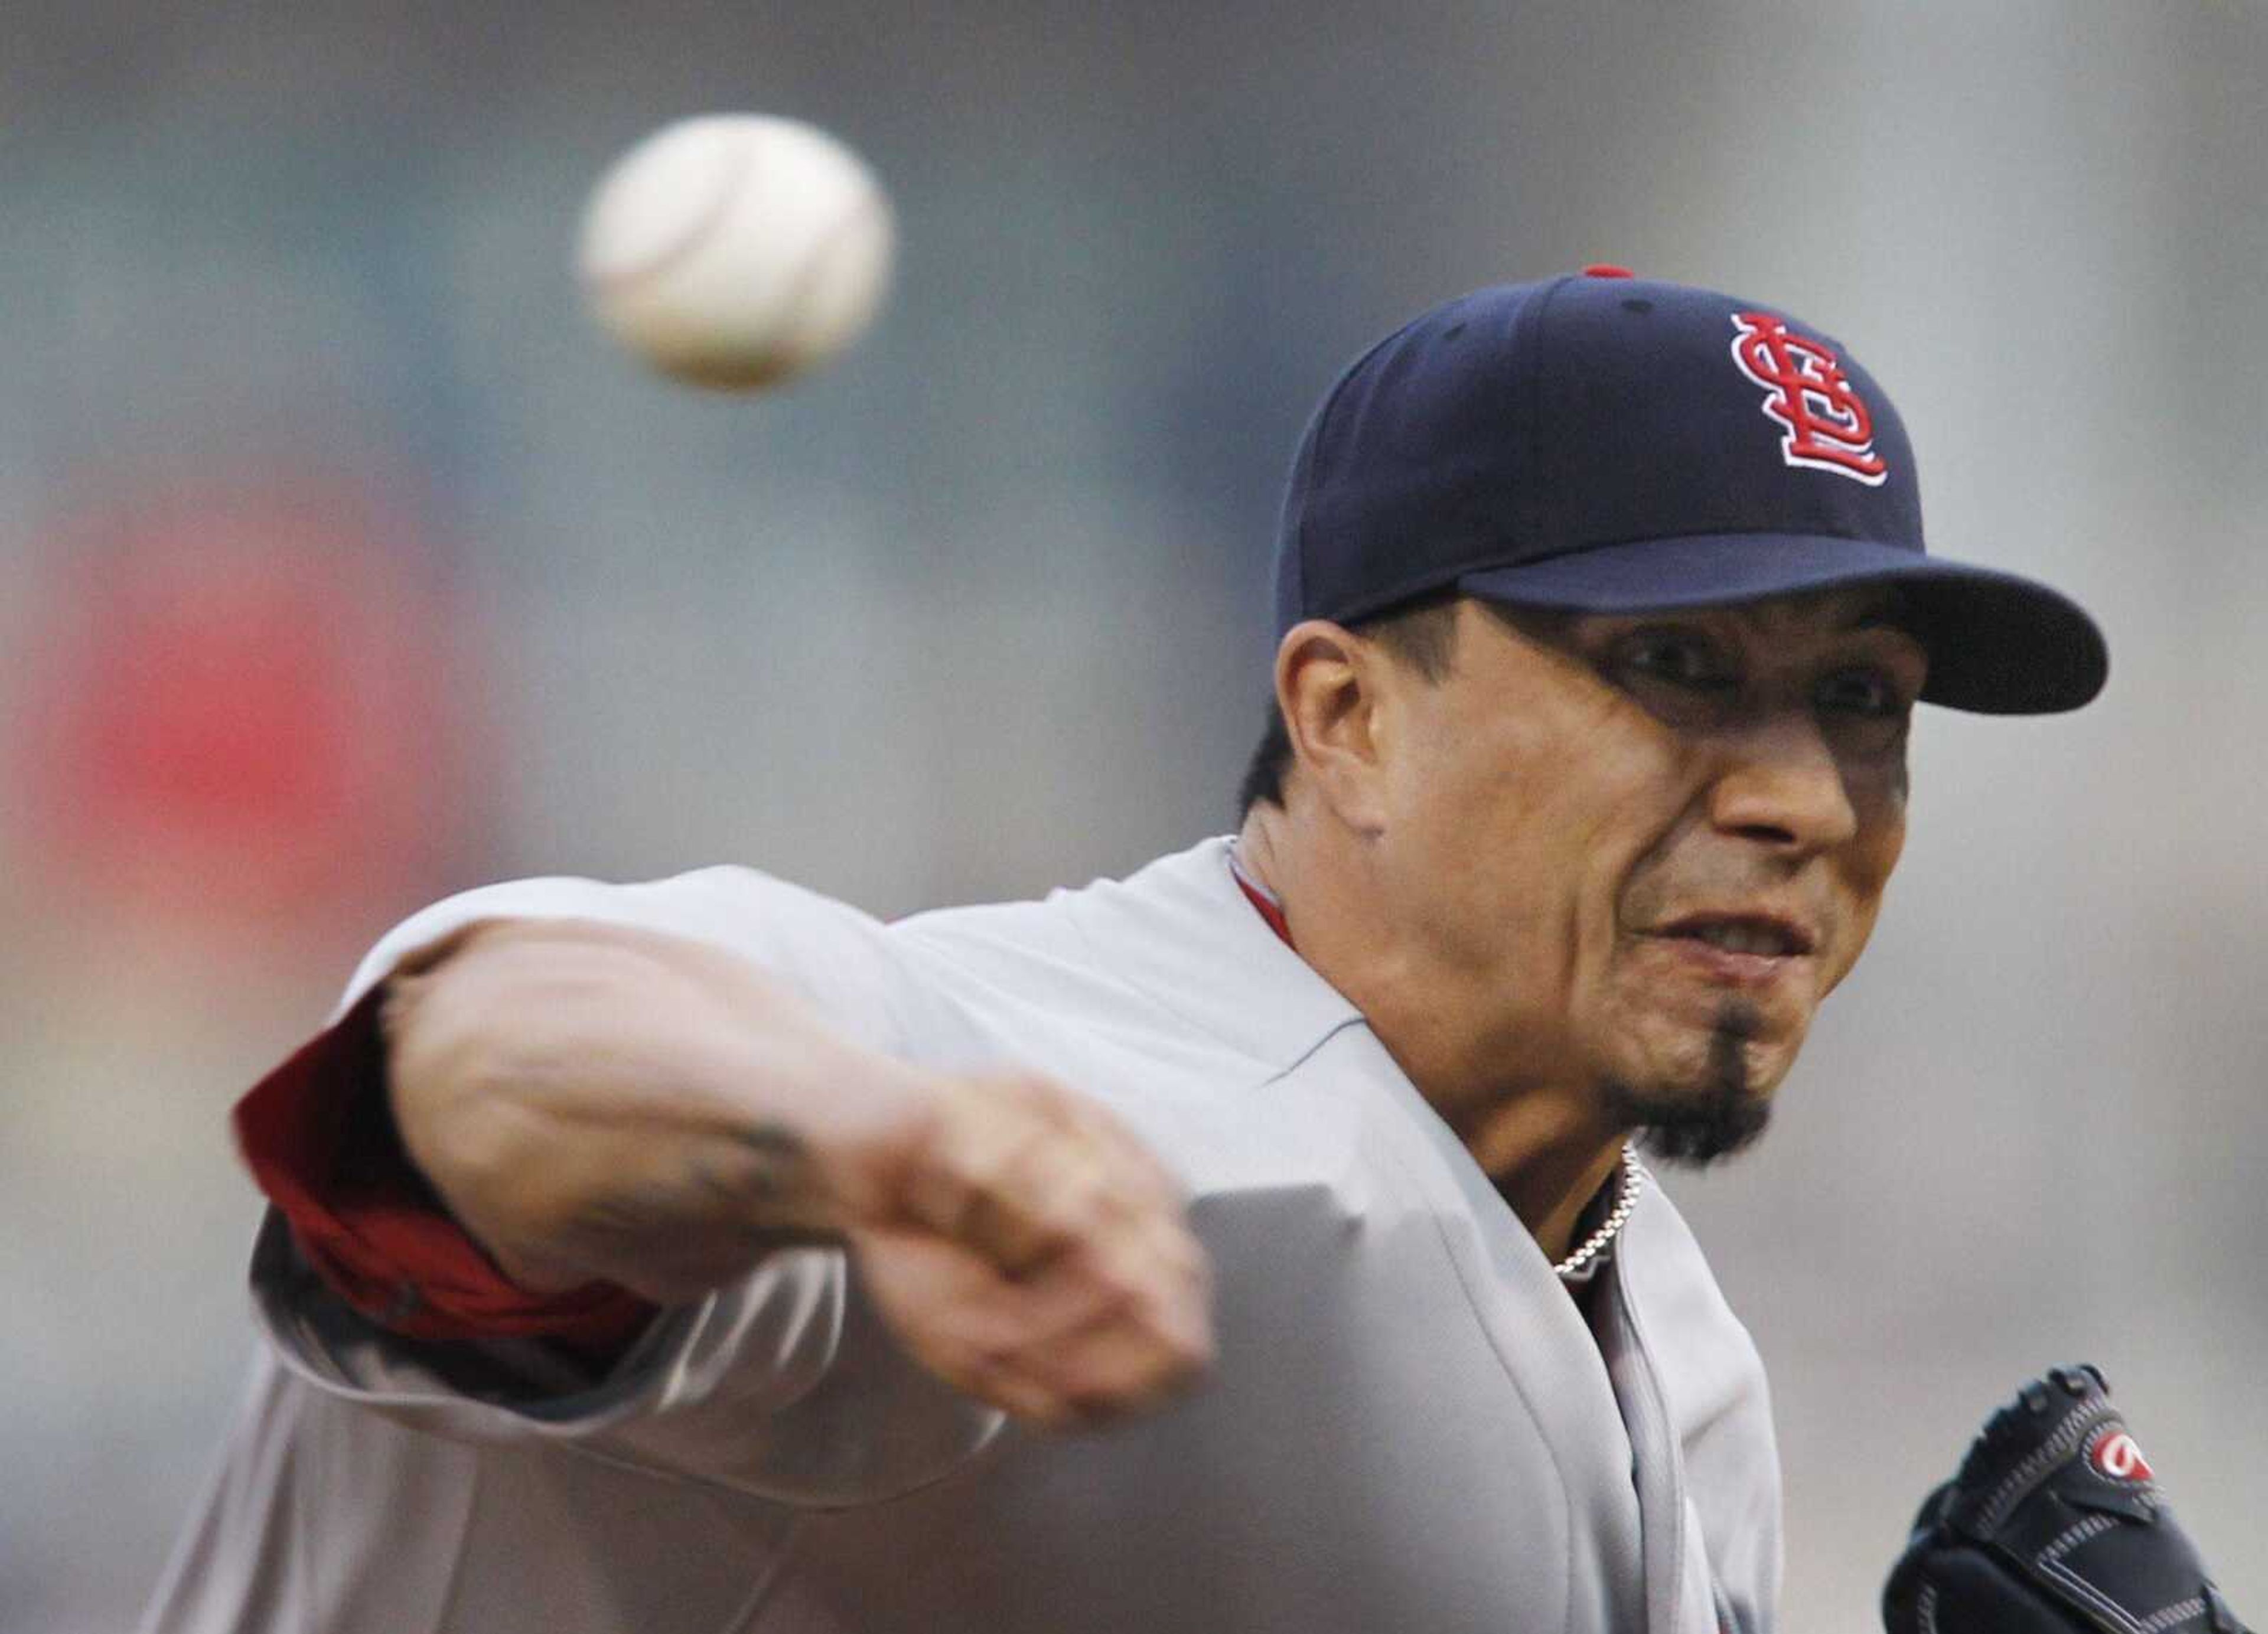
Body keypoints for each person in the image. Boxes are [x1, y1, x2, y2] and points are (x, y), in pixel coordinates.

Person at [141, 269, 2113, 1634]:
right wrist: (861, 1152)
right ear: (1349, 717)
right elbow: (467, 1059)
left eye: (1863, 699)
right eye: (1679, 666)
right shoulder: (1038, 1092)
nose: (1805, 797)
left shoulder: (1672, 1346)